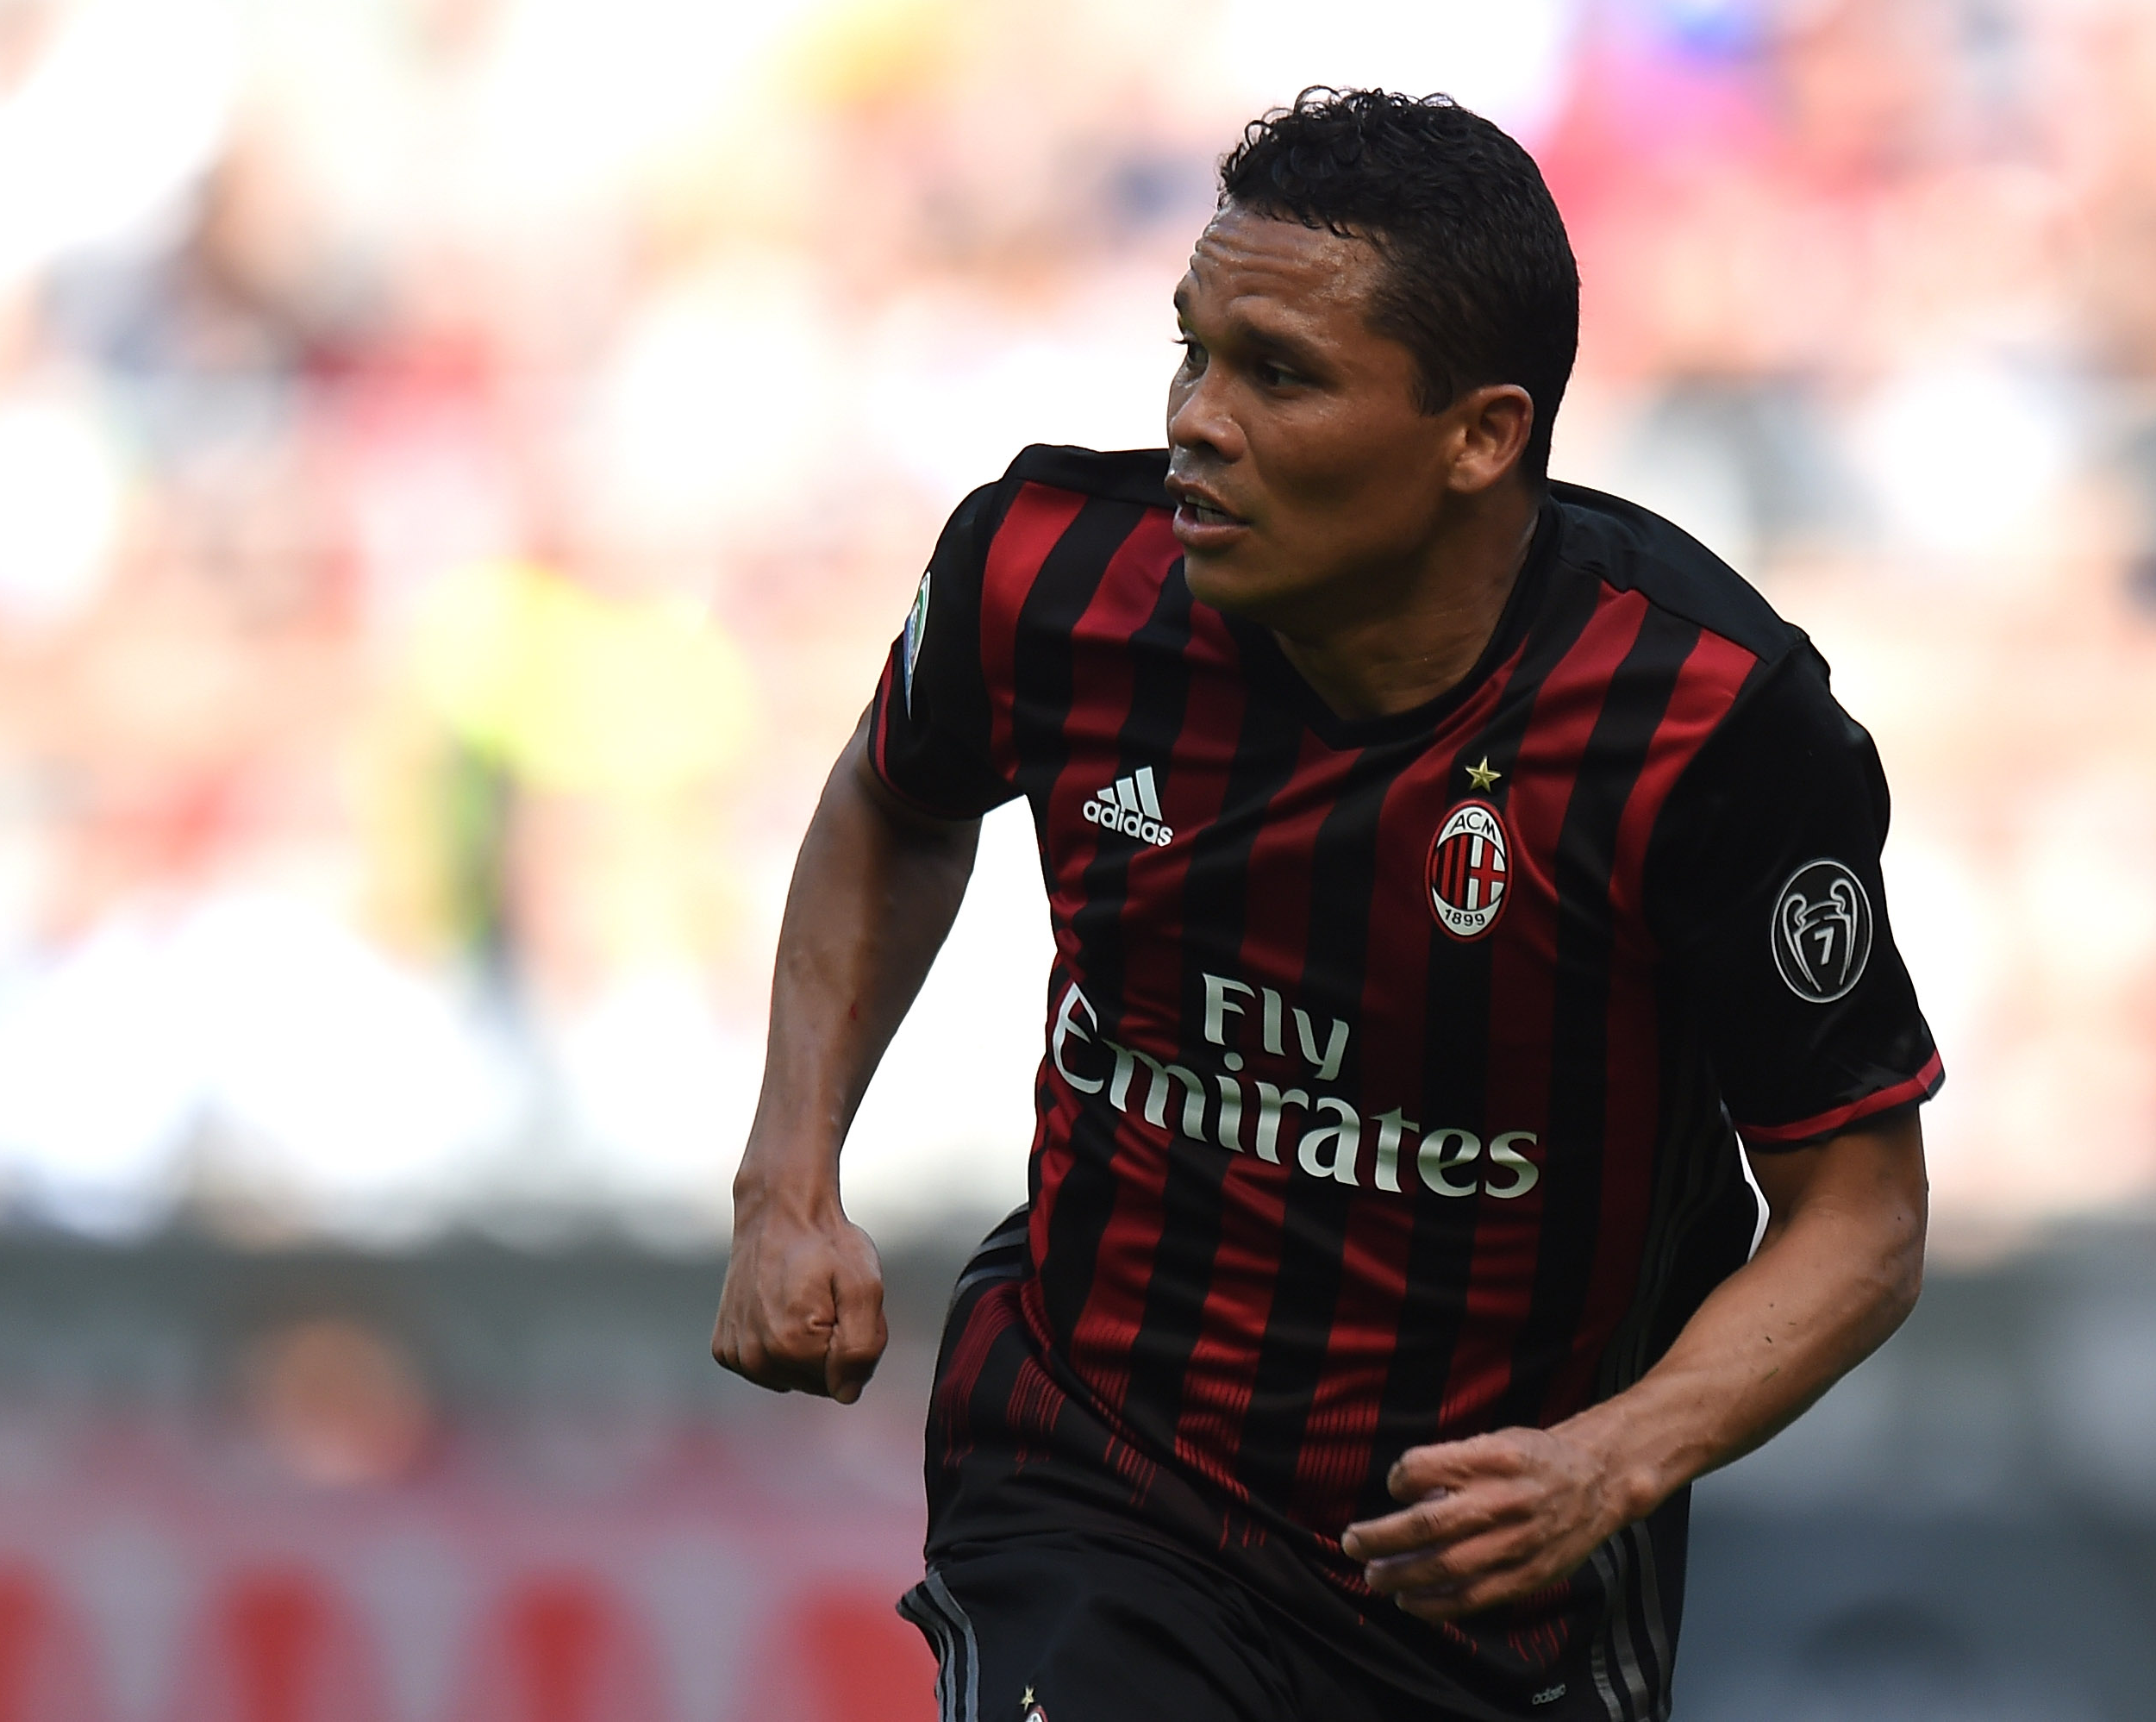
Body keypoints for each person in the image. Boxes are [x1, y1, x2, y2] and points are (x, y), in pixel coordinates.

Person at [712, 88, 1941, 1722]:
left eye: (1277, 375)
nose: (1195, 422)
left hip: (1477, 1584)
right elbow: (895, 795)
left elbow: (1861, 1215)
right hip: (1095, 1471)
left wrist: (1608, 1459)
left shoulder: (1704, 724)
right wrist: (788, 1178)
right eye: (1193, 351)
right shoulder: (1049, 575)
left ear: (1480, 435)